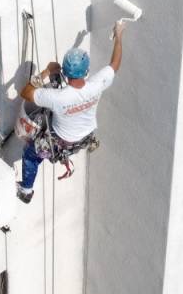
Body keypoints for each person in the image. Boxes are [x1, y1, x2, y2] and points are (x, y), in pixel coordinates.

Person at [16, 23, 126, 203]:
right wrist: (119, 36)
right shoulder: (96, 85)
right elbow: (115, 64)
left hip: (60, 142)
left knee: (30, 154)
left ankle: (26, 191)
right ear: (87, 71)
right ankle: (64, 159)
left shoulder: (57, 98)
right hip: (83, 138)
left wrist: (46, 72)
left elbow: (25, 93)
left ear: (65, 73)